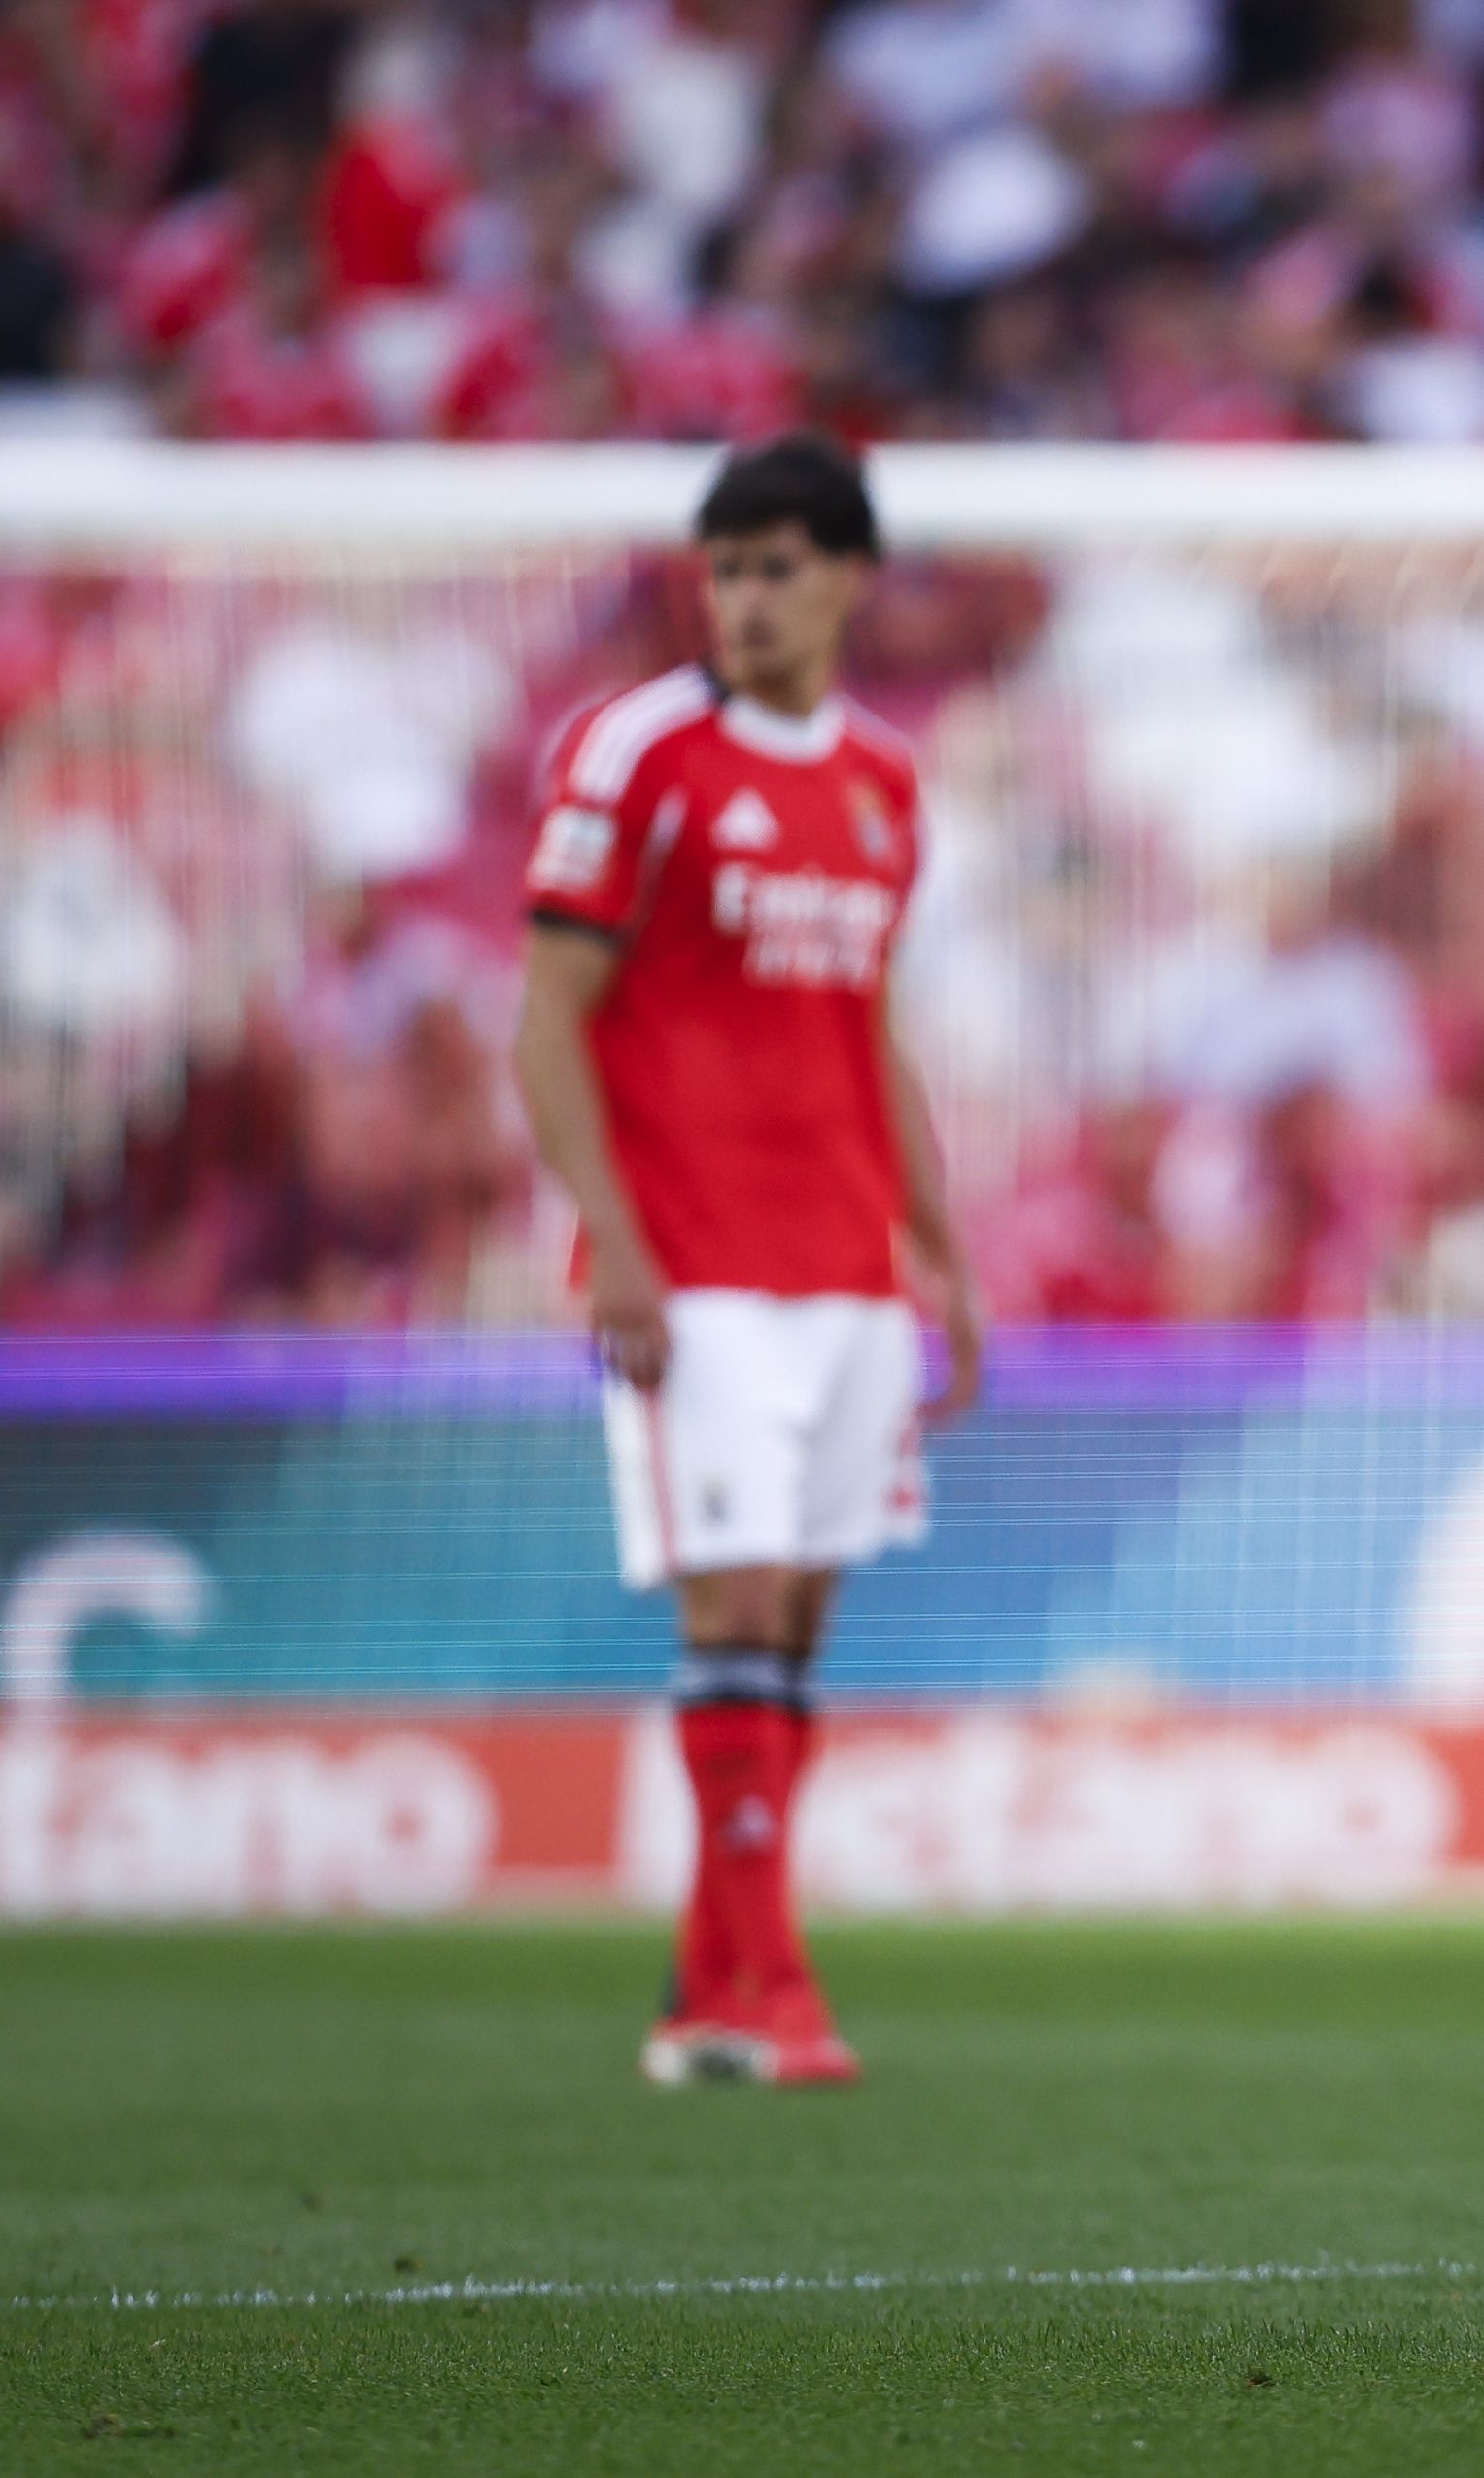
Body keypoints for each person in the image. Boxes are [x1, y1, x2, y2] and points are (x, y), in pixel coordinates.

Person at [512, 434, 984, 2088]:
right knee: (739, 1600)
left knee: (793, 1628)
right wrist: (615, 1244)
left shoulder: (883, 781)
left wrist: (943, 1251)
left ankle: (704, 1994)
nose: (746, 598)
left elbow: (870, 1025)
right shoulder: (637, 753)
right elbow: (547, 1018)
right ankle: (773, 1987)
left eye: (778, 566)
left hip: (846, 1260)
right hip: (694, 1260)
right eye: (725, 569)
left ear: (851, 578)